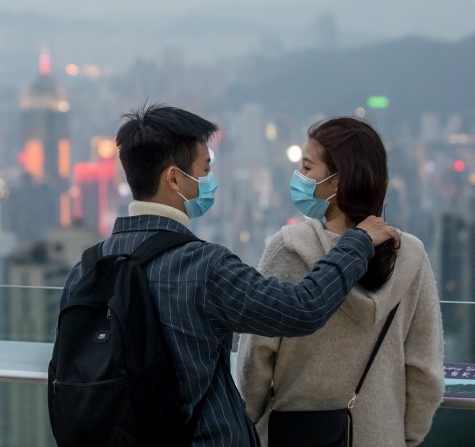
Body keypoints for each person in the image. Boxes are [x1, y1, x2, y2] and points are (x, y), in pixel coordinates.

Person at [59, 105, 401, 446]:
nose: (210, 180)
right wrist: (357, 243)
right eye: (204, 169)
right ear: (175, 179)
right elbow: (302, 308)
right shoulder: (203, 266)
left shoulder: (86, 270)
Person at [236, 116, 444, 447]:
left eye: (307, 168)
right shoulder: (410, 257)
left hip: (294, 436)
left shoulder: (288, 249)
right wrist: (400, 437)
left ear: (337, 182)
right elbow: (425, 373)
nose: (299, 178)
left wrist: (250, 421)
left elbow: (255, 361)